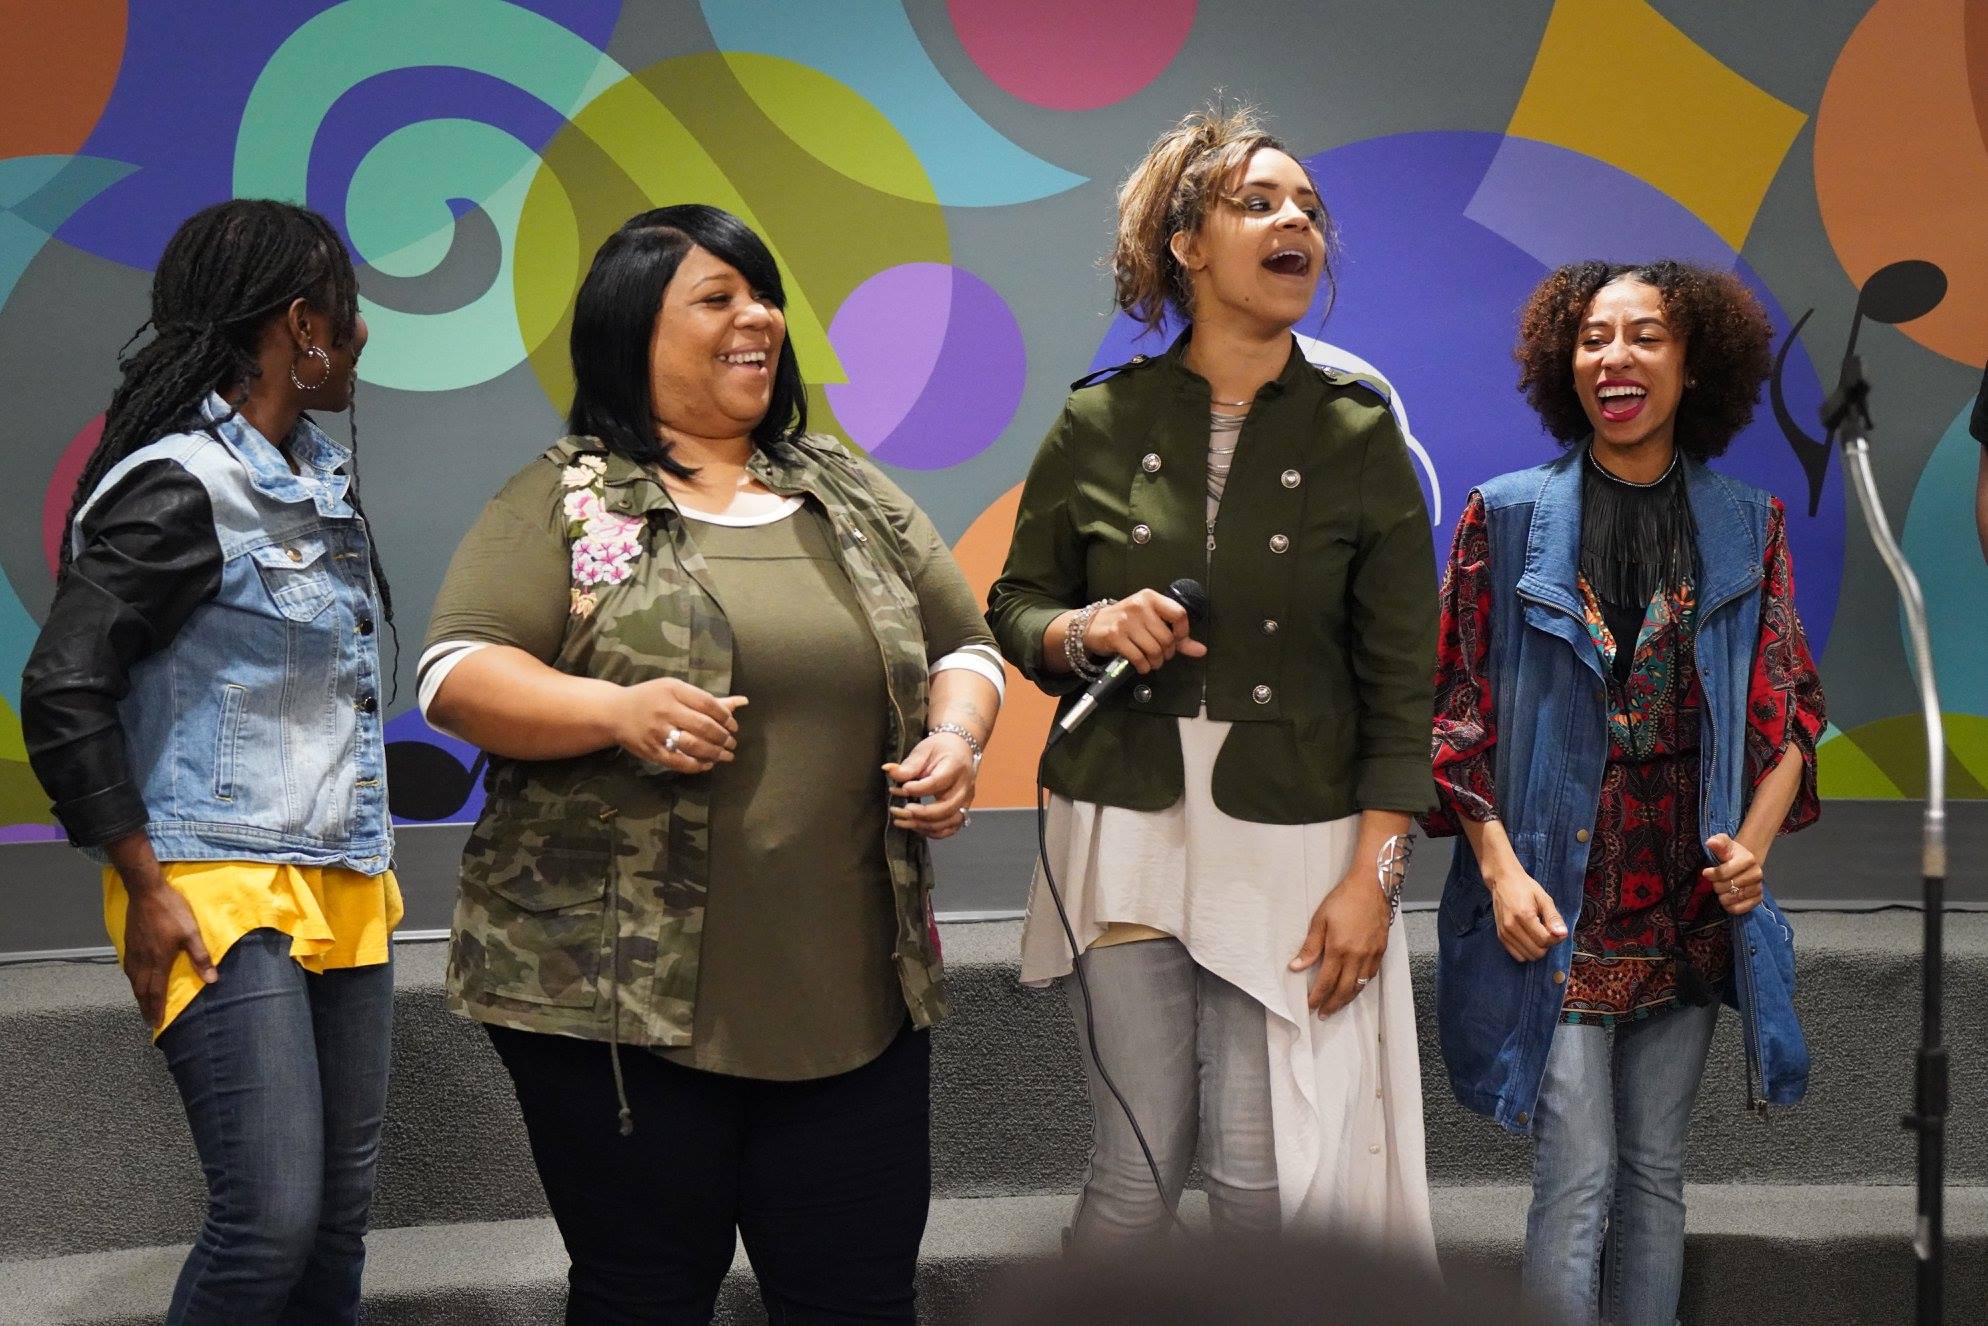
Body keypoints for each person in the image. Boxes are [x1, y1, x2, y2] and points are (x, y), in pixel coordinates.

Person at [420, 204, 1002, 1324]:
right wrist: (614, 710)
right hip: (615, 1007)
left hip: (852, 996)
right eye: (718, 297)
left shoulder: (849, 492)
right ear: (632, 330)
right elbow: (456, 672)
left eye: (764, 295)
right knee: (642, 1294)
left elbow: (965, 647)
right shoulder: (567, 496)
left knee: (858, 1299)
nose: (759, 318)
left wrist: (957, 737)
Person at [986, 106, 1439, 1254]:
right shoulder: (1098, 419)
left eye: (1308, 210)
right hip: (1121, 821)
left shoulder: (1358, 435)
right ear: (1185, 244)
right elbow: (1015, 609)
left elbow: (1403, 687)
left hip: (1290, 838)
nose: (1295, 223)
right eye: (1258, 203)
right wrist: (1089, 627)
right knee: (1133, 1176)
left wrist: (1374, 878)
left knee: (1254, 1184)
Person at [20, 199, 401, 1325]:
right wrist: (143, 881)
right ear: (303, 324)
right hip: (213, 883)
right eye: (347, 307)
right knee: (268, 1221)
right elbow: (64, 684)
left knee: (333, 1228)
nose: (363, 331)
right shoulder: (180, 482)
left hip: (340, 872)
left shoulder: (311, 477)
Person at [1425, 259, 1826, 1326]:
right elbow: (1454, 718)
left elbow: (1790, 712)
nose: (1616, 357)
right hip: (1553, 893)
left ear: (1693, 366)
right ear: (1565, 366)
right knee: (1577, 1173)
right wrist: (1500, 875)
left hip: (1685, 897)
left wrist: (1749, 853)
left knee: (1654, 1172)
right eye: (1594, 337)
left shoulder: (1748, 523)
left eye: (1645, 336)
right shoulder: (1505, 517)